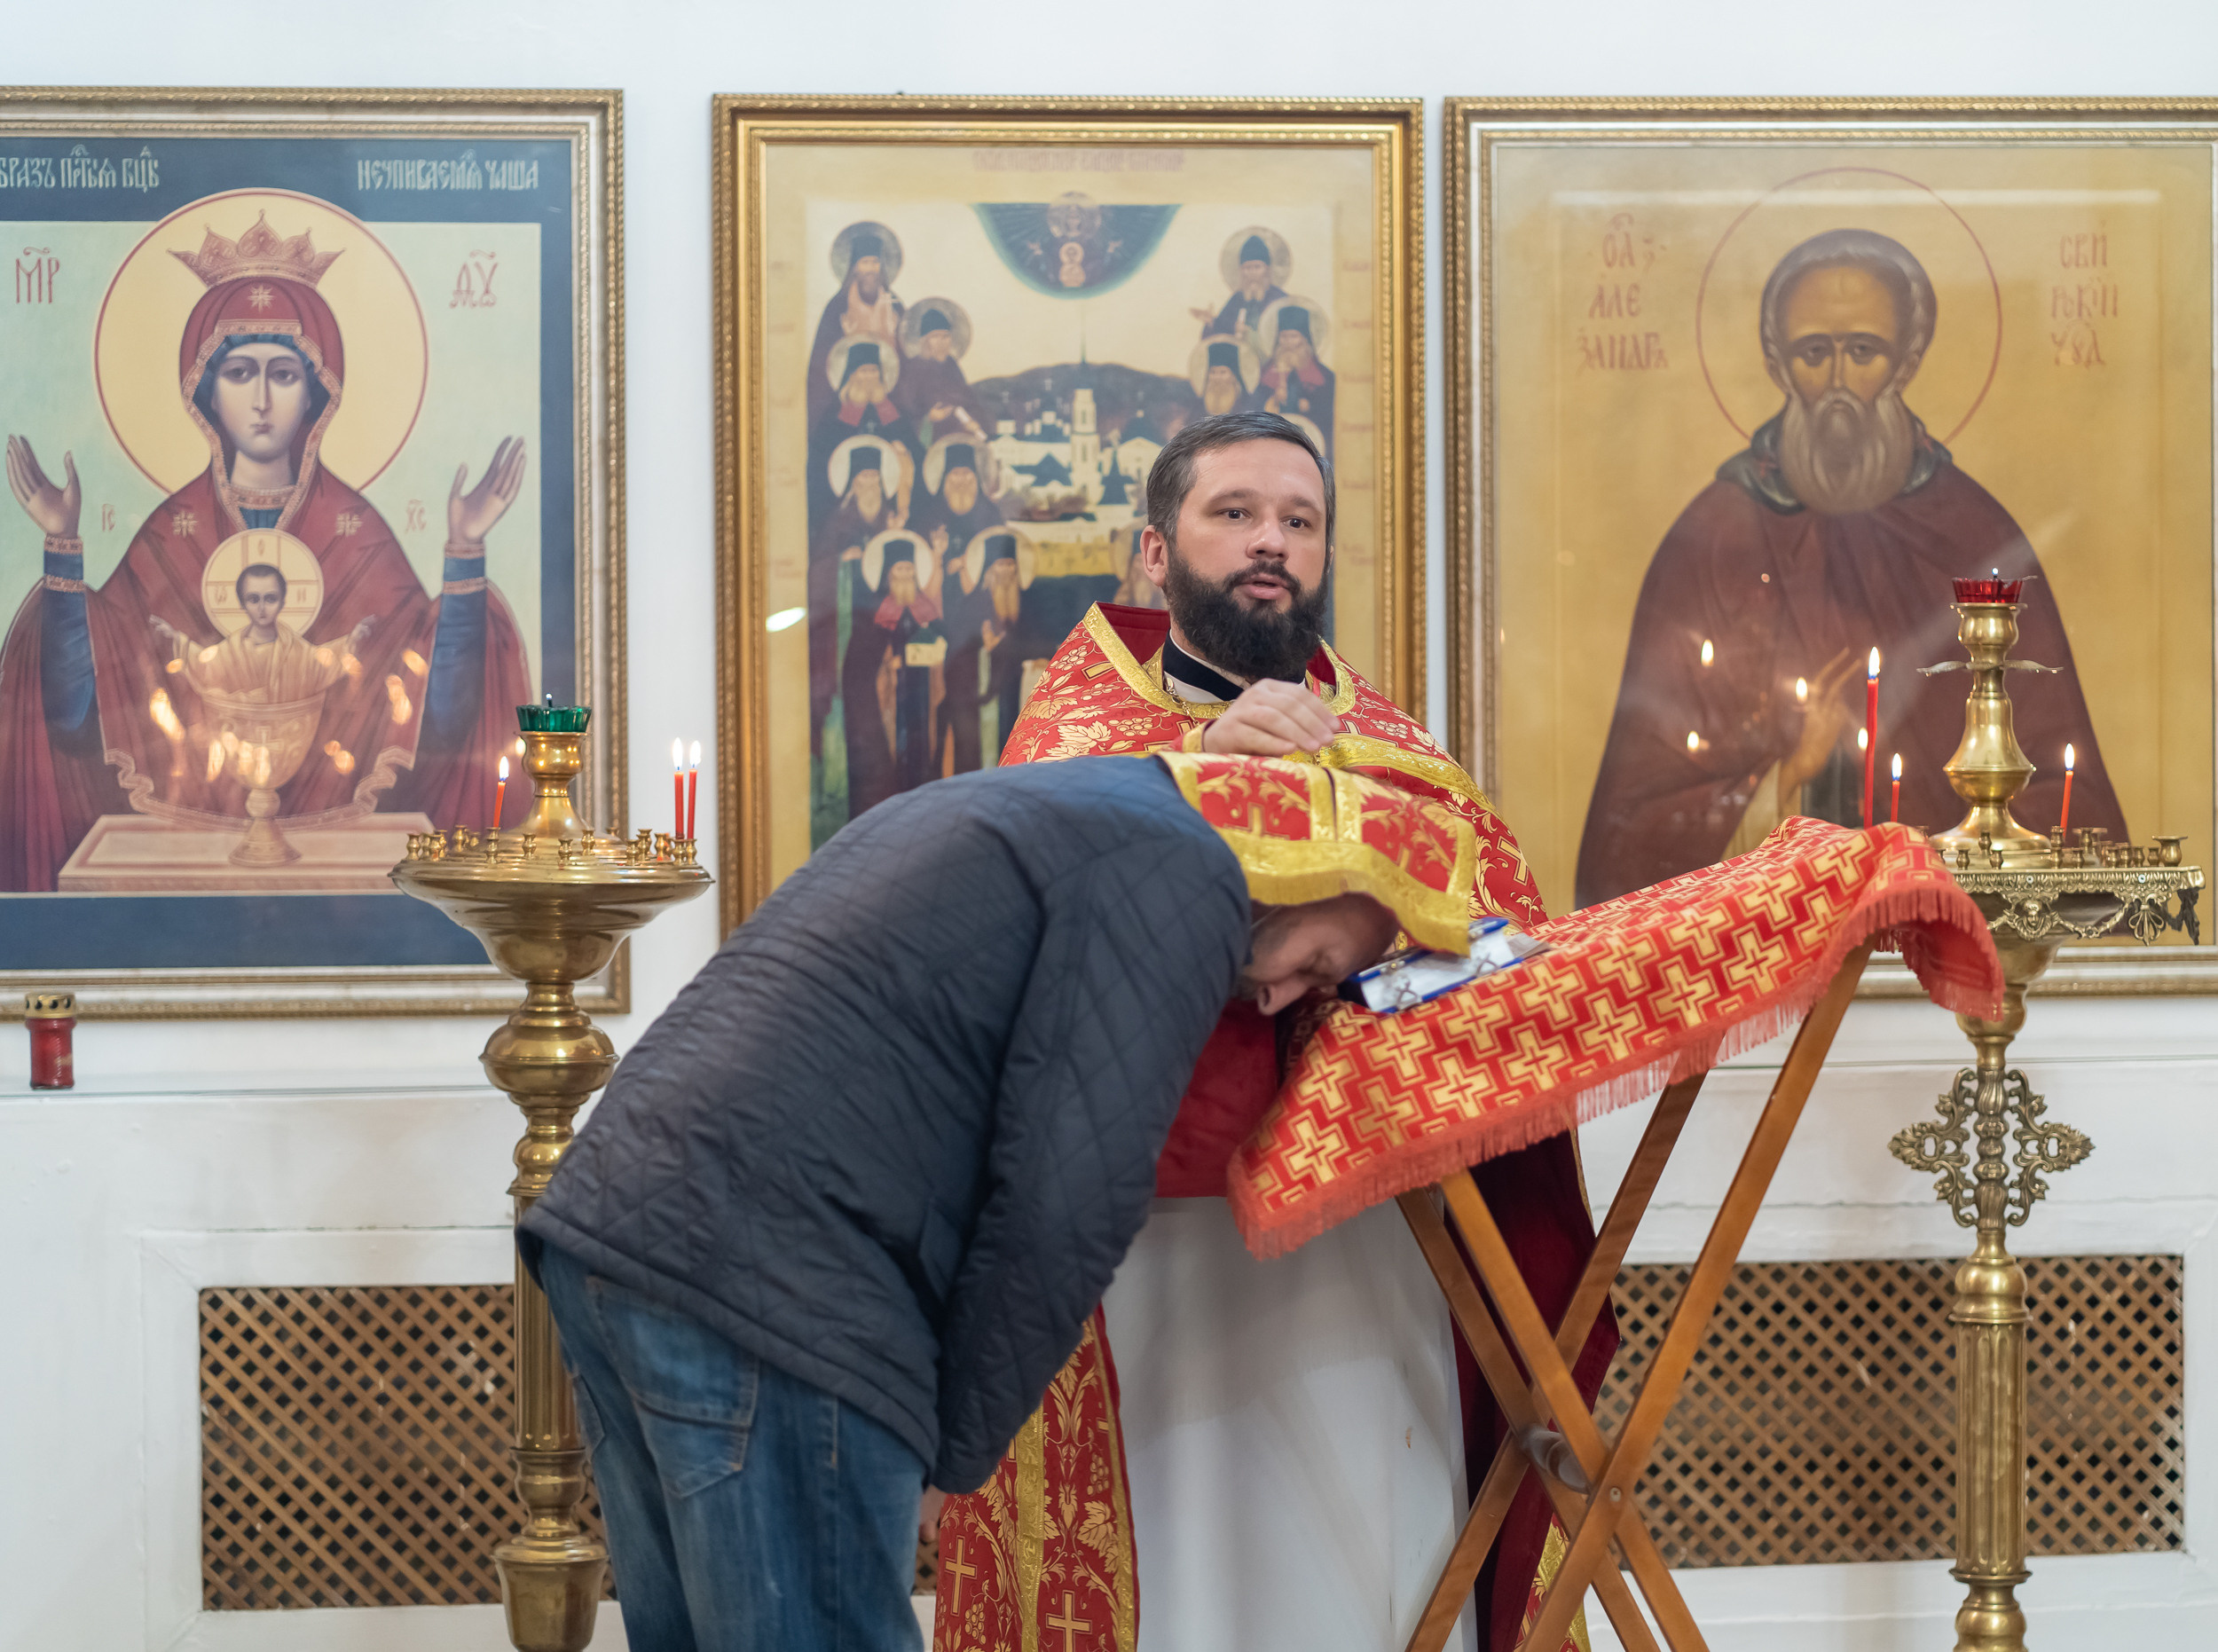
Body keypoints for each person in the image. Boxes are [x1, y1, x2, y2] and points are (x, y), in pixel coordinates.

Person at [518, 751, 1456, 1652]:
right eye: (1318, 963)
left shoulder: (1059, 806)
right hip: (771, 1283)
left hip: (612, 1230)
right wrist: (958, 1454)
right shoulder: (1183, 870)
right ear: (1311, 868)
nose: (1281, 998)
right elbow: (1069, 1204)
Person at [936, 410, 1602, 1652]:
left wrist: (1379, 892)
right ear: (1154, 551)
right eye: (1234, 513)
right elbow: (1029, 918)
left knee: (1356, 1539)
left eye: (1299, 521)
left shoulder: (1390, 741)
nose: (1271, 543)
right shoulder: (1072, 733)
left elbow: (1499, 916)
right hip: (1154, 1240)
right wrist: (1192, 769)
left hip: (1370, 1226)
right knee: (1185, 1544)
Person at [1575, 228, 2127, 906]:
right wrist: (1785, 778)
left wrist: (1942, 860)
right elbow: (1626, 839)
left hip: (1943, 925)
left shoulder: (1975, 535)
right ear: (1779, 365)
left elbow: (2073, 799)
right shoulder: (1713, 540)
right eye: (1815, 353)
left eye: (1863, 351)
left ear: (1906, 361)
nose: (1838, 383)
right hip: (1767, 930)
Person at [0, 213, 531, 890]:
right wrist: (62, 550)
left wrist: (465, 550)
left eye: (282, 374)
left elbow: (445, 718)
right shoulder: (169, 533)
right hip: (184, 852)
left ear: (316, 391)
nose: (259, 400)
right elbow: (76, 712)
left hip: (340, 855)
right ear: (203, 389)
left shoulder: (357, 534)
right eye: (237, 372)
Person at [151, 562, 373, 701]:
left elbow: (322, 662)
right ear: (242, 603)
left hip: (290, 736)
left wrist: (351, 641)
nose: (262, 608)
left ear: (282, 602)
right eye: (253, 599)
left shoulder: (297, 651)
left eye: (271, 599)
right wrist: (175, 639)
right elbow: (204, 666)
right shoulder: (229, 651)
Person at [807, 225, 904, 428]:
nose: (871, 269)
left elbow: (907, 353)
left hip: (888, 388)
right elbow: (822, 359)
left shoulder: (894, 305)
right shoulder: (838, 306)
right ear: (855, 267)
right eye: (865, 262)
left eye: (875, 262)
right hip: (848, 387)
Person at [1248, 304, 1334, 455]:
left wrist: (1309, 406)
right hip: (1272, 441)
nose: (1288, 343)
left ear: (1305, 339)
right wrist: (1273, 400)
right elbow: (1252, 408)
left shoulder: (1324, 376)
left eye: (1294, 336)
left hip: (1310, 443)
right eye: (1284, 336)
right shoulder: (1265, 373)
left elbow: (1329, 413)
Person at [1192, 231, 1286, 343]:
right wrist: (1211, 323)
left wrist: (1250, 334)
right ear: (1241, 271)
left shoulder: (1279, 299)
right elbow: (1219, 331)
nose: (1252, 273)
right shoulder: (1237, 299)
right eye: (1247, 268)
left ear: (1267, 270)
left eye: (1257, 267)